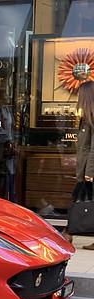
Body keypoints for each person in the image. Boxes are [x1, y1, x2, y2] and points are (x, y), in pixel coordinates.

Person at [63, 80, 94, 250]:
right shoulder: (87, 117)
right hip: (84, 169)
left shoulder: (92, 117)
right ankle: (68, 233)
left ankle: (68, 233)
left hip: (89, 171)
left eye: (81, 95)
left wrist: (89, 172)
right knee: (79, 199)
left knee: (78, 200)